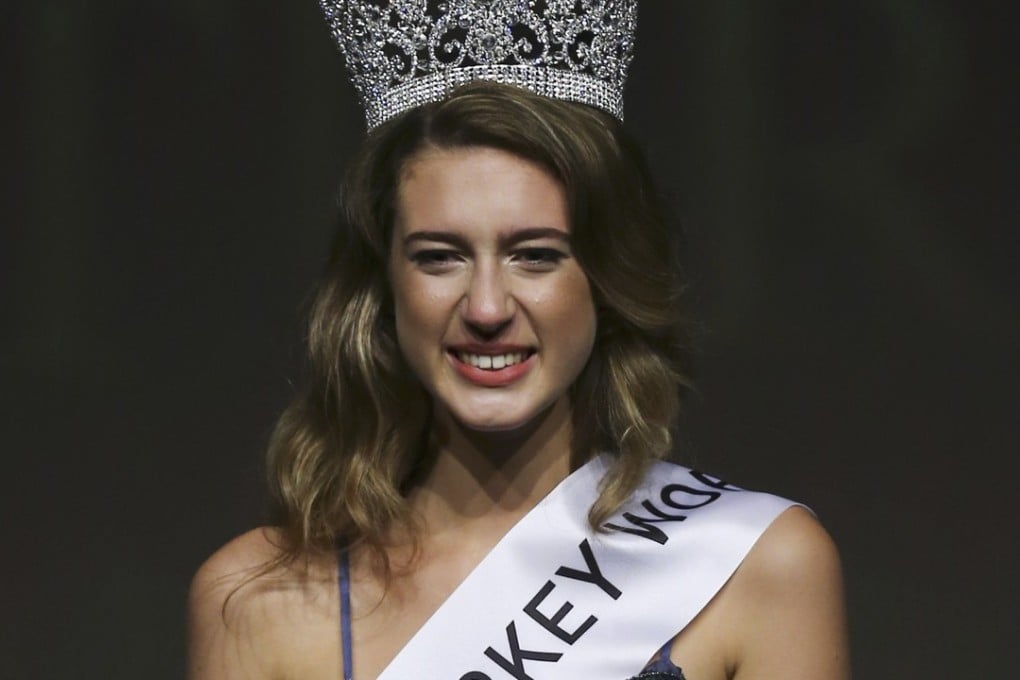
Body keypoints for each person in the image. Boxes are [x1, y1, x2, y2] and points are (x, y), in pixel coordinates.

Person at [188, 3, 849, 679]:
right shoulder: (255, 601)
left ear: (606, 278)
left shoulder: (755, 565)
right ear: (383, 283)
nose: (486, 307)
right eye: (439, 257)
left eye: (535, 256)